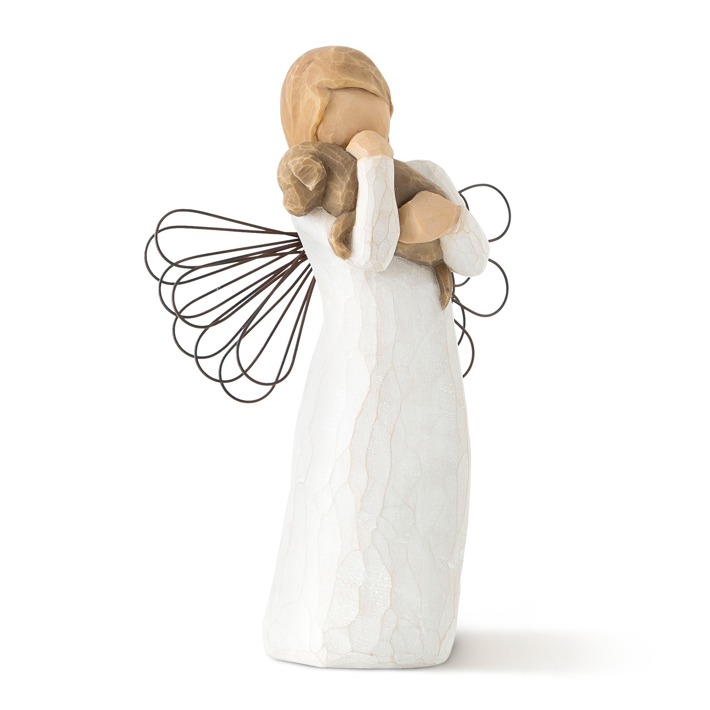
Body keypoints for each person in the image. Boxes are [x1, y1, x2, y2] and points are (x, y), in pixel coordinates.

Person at [263, 46, 490, 669]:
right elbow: (372, 251)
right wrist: (376, 167)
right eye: (345, 115)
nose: (367, 127)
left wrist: (450, 218)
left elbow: (473, 258)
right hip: (357, 381)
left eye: (374, 109)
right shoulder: (313, 194)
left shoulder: (430, 174)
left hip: (429, 379)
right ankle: (321, 628)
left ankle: (417, 628)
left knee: (424, 494)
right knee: (349, 495)